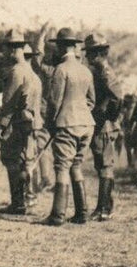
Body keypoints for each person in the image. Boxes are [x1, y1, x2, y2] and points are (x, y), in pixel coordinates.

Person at [43, 27, 96, 226]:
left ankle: (57, 215)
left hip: (67, 124)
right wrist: (80, 112)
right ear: (74, 46)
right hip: (87, 124)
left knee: (62, 166)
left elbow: (54, 102)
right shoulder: (86, 71)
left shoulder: (61, 70)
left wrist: (51, 123)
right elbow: (91, 101)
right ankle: (82, 213)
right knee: (76, 165)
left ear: (60, 47)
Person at [0, 30, 44, 214]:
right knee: (25, 162)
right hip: (31, 125)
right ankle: (26, 199)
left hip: (17, 124)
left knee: (12, 161)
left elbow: (9, 102)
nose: (8, 53)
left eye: (10, 49)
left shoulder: (16, 72)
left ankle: (18, 203)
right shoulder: (33, 74)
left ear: (15, 49)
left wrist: (1, 125)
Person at [85, 32, 123, 221]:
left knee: (105, 166)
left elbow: (117, 98)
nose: (88, 56)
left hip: (104, 126)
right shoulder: (98, 72)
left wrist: (107, 116)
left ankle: (104, 209)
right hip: (101, 124)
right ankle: (106, 206)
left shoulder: (106, 73)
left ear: (100, 53)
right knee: (102, 165)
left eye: (91, 52)